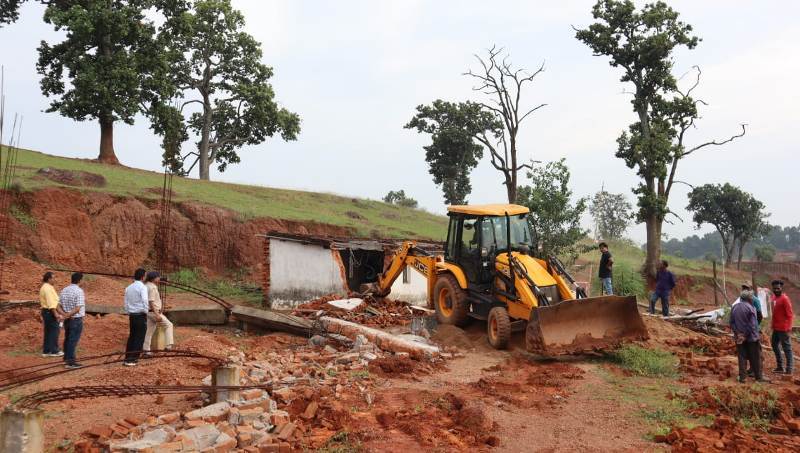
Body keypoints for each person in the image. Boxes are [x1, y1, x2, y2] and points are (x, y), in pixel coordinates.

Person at [730, 290, 765, 382]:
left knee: (741, 357)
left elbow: (732, 323)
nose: (752, 299)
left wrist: (738, 333)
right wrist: (745, 334)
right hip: (751, 337)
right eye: (751, 298)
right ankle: (758, 378)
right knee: (755, 357)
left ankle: (742, 378)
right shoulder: (751, 308)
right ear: (749, 299)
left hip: (739, 337)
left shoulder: (734, 307)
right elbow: (752, 325)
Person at [57, 272, 85, 369]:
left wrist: (65, 315)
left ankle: (66, 358)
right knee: (72, 340)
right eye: (82, 279)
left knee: (68, 338)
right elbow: (78, 308)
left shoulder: (64, 290)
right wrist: (68, 315)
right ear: (80, 280)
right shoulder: (79, 291)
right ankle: (70, 362)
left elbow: (58, 306)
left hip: (68, 320)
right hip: (76, 319)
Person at [143, 271, 174, 354]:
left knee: (148, 332)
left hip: (148, 312)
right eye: (158, 277)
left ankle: (146, 351)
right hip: (154, 312)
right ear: (154, 278)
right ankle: (168, 346)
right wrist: (157, 314)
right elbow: (151, 301)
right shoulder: (153, 287)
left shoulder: (146, 286)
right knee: (169, 325)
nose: (159, 278)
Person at [123, 268, 149, 366]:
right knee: (139, 337)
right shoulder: (142, 287)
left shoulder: (128, 287)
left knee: (132, 336)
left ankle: (127, 358)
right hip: (140, 315)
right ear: (143, 277)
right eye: (145, 276)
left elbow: (125, 302)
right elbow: (145, 301)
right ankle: (132, 359)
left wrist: (128, 312)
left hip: (132, 315)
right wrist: (145, 311)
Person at [770, 280, 794, 375]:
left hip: (784, 329)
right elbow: (775, 314)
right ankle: (780, 366)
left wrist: (789, 328)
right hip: (776, 328)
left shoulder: (785, 299)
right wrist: (772, 325)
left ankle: (789, 369)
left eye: (778, 288)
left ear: (781, 288)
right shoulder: (774, 298)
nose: (776, 290)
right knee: (774, 345)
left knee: (787, 348)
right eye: (774, 288)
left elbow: (790, 315)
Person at [39, 272, 63, 357]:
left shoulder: (48, 287)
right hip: (50, 312)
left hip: (47, 312)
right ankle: (54, 351)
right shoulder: (47, 288)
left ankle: (46, 351)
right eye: (53, 278)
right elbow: (50, 303)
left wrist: (61, 312)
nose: (55, 279)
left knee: (48, 331)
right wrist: (56, 314)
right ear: (49, 279)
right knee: (54, 330)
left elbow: (54, 302)